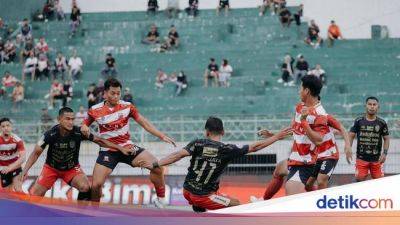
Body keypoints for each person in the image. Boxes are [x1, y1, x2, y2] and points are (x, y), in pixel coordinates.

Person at [140, 117, 291, 212]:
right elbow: (255, 147)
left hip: (186, 191)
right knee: (238, 204)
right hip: (204, 196)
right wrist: (277, 136)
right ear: (223, 132)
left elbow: (176, 155)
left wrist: (156, 163)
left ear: (206, 132)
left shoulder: (197, 143)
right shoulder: (227, 150)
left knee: (205, 202)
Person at [81, 78, 176, 207]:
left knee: (157, 168)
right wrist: (84, 127)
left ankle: (160, 199)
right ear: (105, 93)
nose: (116, 96)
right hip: (108, 150)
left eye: (118, 93)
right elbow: (84, 124)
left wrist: (161, 135)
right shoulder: (95, 110)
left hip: (128, 147)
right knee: (96, 185)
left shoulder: (127, 106)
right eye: (112, 93)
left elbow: (144, 123)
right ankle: (94, 212)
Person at [20, 107, 134, 199]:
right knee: (35, 195)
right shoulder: (50, 134)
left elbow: (100, 141)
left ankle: (79, 216)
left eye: (72, 119)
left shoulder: (79, 132)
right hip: (51, 168)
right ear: (59, 119)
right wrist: (25, 171)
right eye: (67, 119)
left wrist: (120, 148)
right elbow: (35, 153)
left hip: (71, 169)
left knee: (85, 187)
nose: (71, 122)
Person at [285, 75, 330, 196]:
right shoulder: (300, 106)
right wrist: (273, 135)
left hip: (306, 163)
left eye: (300, 88)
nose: (299, 91)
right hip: (295, 158)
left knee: (291, 200)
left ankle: (325, 203)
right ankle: (263, 199)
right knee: (278, 170)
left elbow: (319, 141)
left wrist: (304, 122)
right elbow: (294, 129)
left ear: (307, 91)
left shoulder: (320, 114)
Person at [349, 97, 390, 182]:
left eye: (374, 104)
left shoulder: (382, 123)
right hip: (361, 159)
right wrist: (348, 148)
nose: (372, 106)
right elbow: (351, 135)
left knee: (380, 183)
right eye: (370, 104)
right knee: (359, 181)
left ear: (378, 107)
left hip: (377, 160)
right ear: (366, 106)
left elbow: (386, 138)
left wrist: (385, 153)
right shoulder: (358, 121)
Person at [0, 118, 25, 192]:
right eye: (3, 126)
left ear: (11, 127)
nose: (6, 128)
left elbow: (23, 157)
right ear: (0, 128)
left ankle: (25, 203)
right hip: (3, 169)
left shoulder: (17, 140)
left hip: (15, 167)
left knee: (18, 190)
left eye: (8, 125)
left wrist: (10, 167)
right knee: (7, 193)